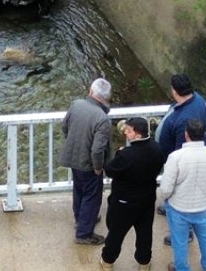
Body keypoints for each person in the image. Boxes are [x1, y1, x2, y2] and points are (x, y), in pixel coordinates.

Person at [99, 117, 166, 271]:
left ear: (137, 135)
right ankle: (144, 263)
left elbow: (110, 170)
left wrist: (118, 154)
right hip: (147, 200)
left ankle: (108, 261)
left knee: (116, 234)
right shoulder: (157, 149)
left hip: (124, 202)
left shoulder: (126, 155)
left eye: (128, 131)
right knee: (144, 233)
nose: (125, 133)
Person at [157, 120, 206, 271]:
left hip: (179, 207)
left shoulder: (176, 157)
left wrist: (166, 198)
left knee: (180, 242)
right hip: (203, 206)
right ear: (204, 135)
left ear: (186, 135)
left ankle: (181, 268)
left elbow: (166, 187)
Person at [57, 77, 112, 245]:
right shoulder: (102, 119)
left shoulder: (76, 104)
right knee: (92, 197)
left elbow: (64, 126)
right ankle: (84, 233)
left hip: (74, 158)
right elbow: (97, 149)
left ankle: (80, 219)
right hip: (89, 164)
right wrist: (98, 167)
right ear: (106, 97)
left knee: (79, 190)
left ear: (90, 91)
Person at [158, 73, 206, 245]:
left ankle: (184, 234)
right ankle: (169, 208)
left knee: (180, 194)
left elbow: (182, 151)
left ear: (175, 91)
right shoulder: (198, 100)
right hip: (193, 156)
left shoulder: (184, 119)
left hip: (181, 163)